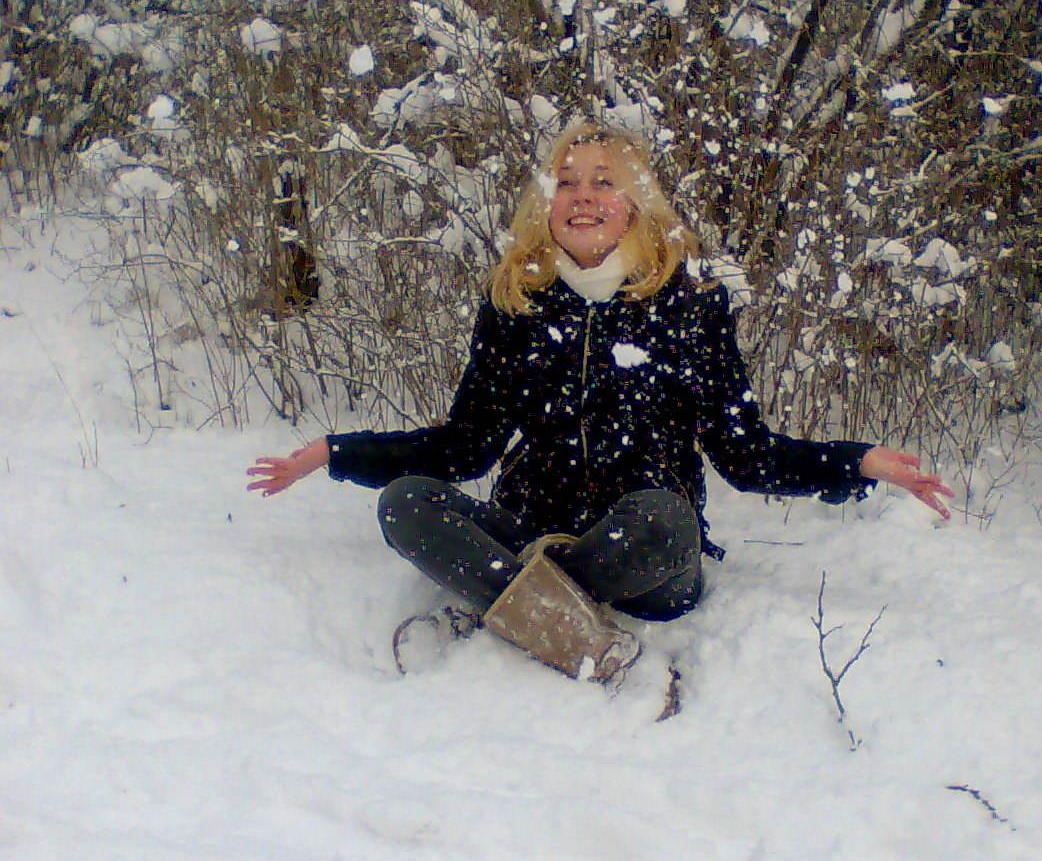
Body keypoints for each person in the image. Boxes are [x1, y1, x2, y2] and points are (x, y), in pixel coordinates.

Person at [247, 121, 952, 685]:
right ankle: (570, 629)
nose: (582, 196)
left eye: (603, 182)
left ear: (635, 205)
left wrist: (858, 463)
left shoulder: (689, 306)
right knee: (405, 503)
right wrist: (336, 453)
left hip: (643, 558)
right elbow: (465, 447)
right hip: (529, 531)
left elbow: (746, 454)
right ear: (545, 203)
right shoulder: (517, 304)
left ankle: (512, 611)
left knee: (661, 518)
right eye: (567, 182)